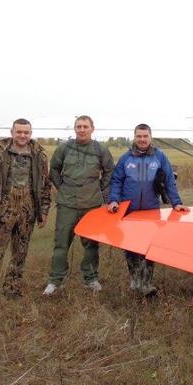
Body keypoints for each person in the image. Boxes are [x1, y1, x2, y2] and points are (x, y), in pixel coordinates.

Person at [107, 123, 189, 296]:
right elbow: (116, 181)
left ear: (150, 137)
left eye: (145, 136)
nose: (142, 139)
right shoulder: (125, 158)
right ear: (134, 137)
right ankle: (135, 279)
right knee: (131, 246)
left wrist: (176, 202)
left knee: (148, 247)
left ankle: (147, 283)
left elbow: (169, 181)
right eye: (139, 136)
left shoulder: (160, 157)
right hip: (129, 211)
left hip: (151, 210)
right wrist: (114, 200)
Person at [0, 119, 52, 298]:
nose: (22, 135)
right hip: (2, 211)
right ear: (12, 132)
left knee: (20, 253)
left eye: (26, 132)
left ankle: (12, 290)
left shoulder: (39, 155)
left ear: (30, 134)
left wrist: (44, 211)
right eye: (19, 132)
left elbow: (45, 185)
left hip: (28, 211)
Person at [43, 115, 114, 295]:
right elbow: (54, 170)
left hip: (92, 204)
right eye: (79, 126)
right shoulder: (64, 148)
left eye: (85, 126)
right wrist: (62, 188)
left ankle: (91, 279)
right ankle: (55, 281)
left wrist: (99, 190)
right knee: (61, 243)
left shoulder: (101, 149)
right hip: (67, 204)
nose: (82, 130)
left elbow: (109, 172)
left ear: (92, 128)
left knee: (91, 244)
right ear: (74, 129)